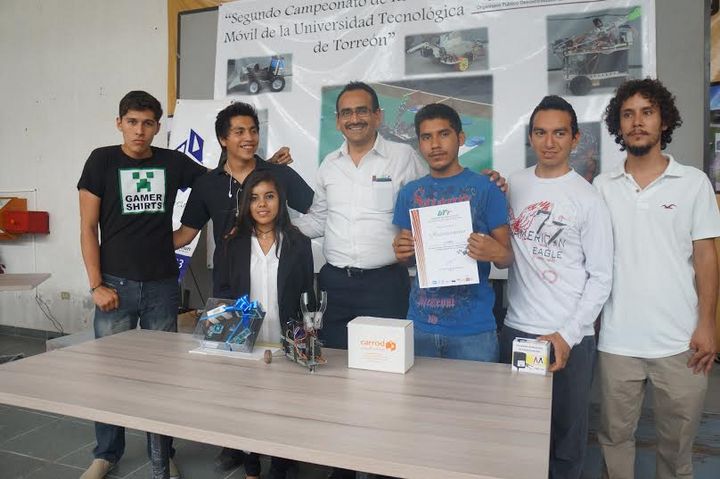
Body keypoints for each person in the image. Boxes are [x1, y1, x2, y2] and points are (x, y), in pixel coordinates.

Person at [173, 103, 314, 472]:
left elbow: (316, 208)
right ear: (223, 139)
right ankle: (240, 449)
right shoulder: (207, 184)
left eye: (253, 130)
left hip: (278, 277)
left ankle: (284, 454)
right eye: (239, 131)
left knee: (284, 383)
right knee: (236, 379)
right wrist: (138, 239)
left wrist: (298, 237)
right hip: (231, 286)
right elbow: (186, 234)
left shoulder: (276, 174)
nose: (248, 137)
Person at [78, 91, 207, 479]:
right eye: (132, 121)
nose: (140, 130)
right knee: (110, 373)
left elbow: (213, 186)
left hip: (162, 286)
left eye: (148, 123)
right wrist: (95, 284)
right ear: (119, 122)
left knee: (161, 376)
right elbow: (87, 228)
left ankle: (161, 450)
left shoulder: (171, 162)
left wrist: (186, 233)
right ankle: (106, 453)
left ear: (158, 127)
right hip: (114, 286)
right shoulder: (101, 160)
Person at [594, 78, 720, 479]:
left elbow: (707, 257)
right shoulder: (601, 187)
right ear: (618, 124)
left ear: (663, 121)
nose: (637, 122)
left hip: (681, 342)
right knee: (614, 441)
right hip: (617, 341)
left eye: (647, 112)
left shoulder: (694, 183)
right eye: (628, 114)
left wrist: (708, 324)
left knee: (677, 449)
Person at [500, 95, 613, 479]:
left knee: (565, 442)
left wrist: (566, 336)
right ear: (530, 137)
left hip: (569, 338)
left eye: (559, 133)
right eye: (541, 132)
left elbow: (601, 277)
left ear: (575, 138)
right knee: (518, 437)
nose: (549, 142)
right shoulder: (513, 184)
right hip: (517, 330)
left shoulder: (588, 199)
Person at [294, 82, 427, 351]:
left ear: (378, 116)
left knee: (385, 368)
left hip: (386, 285)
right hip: (335, 286)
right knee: (334, 364)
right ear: (338, 121)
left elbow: (428, 210)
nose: (354, 119)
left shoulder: (403, 157)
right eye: (346, 113)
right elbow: (319, 219)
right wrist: (275, 228)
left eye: (361, 111)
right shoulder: (329, 165)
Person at [392, 103, 512, 361]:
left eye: (443, 134)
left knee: (477, 403)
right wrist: (403, 252)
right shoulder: (409, 194)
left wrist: (494, 251)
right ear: (419, 144)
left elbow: (506, 259)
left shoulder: (486, 188)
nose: (435, 144)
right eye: (426, 137)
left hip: (473, 331)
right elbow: (406, 258)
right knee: (418, 401)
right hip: (420, 325)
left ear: (460, 138)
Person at [215, 170, 315, 479]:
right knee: (247, 403)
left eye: (269, 197)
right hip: (247, 338)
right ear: (245, 203)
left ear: (280, 201)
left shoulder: (298, 241)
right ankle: (251, 463)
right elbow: (222, 293)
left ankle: (281, 464)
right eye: (254, 198)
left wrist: (306, 336)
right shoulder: (232, 242)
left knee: (284, 403)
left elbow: (307, 294)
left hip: (285, 336)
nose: (262, 205)